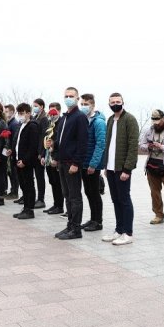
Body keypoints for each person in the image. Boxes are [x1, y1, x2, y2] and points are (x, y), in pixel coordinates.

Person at [101, 92, 140, 246]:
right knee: (115, 199)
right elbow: (108, 144)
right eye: (112, 101)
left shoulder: (130, 119)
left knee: (124, 199)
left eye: (118, 101)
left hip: (122, 168)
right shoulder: (110, 119)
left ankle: (128, 233)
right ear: (109, 104)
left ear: (123, 102)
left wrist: (127, 169)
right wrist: (105, 166)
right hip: (110, 168)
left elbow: (132, 146)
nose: (115, 103)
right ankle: (119, 230)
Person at [54, 87, 88, 240]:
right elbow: (59, 140)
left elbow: (82, 142)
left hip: (71, 164)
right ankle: (70, 224)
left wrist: (76, 163)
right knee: (67, 196)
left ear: (77, 98)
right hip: (62, 162)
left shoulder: (79, 117)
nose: (68, 98)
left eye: (71, 96)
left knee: (75, 197)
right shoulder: (64, 118)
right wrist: (55, 153)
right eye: (66, 96)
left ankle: (76, 228)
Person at [79, 94, 107, 232]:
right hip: (84, 162)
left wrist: (93, 164)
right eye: (82, 104)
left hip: (92, 164)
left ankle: (98, 221)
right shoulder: (85, 120)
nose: (83, 106)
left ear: (92, 105)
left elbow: (101, 144)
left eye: (86, 104)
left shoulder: (98, 122)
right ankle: (92, 218)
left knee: (94, 192)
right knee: (89, 192)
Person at [12, 103, 41, 219]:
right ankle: (25, 207)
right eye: (19, 113)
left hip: (27, 162)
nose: (20, 115)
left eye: (22, 113)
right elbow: (18, 142)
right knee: (23, 185)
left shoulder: (32, 126)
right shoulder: (21, 125)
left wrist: (25, 160)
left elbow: (33, 147)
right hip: (18, 159)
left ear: (28, 113)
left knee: (29, 185)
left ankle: (30, 210)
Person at [42, 104, 65, 215]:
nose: (51, 114)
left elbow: (60, 142)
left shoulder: (61, 122)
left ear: (59, 111)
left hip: (56, 157)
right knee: (52, 182)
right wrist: (43, 155)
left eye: (54, 111)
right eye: (50, 111)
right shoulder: (50, 123)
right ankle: (56, 204)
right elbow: (45, 140)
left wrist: (56, 158)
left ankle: (60, 206)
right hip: (48, 156)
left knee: (58, 183)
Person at [32, 98, 49, 209]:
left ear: (42, 106)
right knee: (34, 176)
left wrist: (41, 152)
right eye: (33, 106)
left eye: (36, 105)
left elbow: (43, 137)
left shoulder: (44, 119)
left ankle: (41, 198)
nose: (34, 107)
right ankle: (32, 197)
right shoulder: (35, 117)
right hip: (33, 151)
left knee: (39, 176)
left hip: (39, 151)